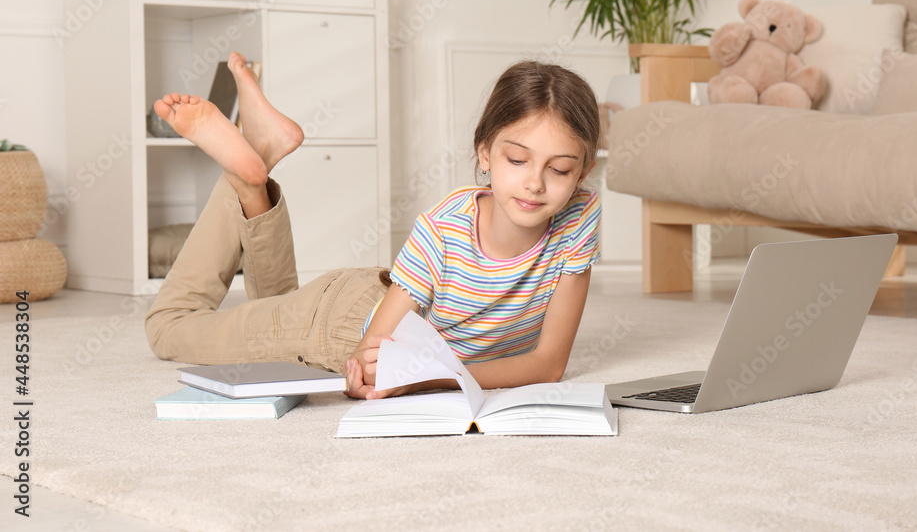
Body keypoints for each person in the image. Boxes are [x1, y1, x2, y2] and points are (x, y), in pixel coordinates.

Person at [145, 52, 602, 400]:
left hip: (388, 291)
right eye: (517, 159)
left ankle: (258, 163)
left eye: (559, 169)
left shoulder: (579, 216)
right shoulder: (444, 230)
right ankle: (241, 181)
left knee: (275, 302)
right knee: (167, 328)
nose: (536, 184)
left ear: (581, 173)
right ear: (484, 153)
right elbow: (366, 365)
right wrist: (400, 377)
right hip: (334, 324)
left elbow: (548, 365)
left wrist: (423, 376)